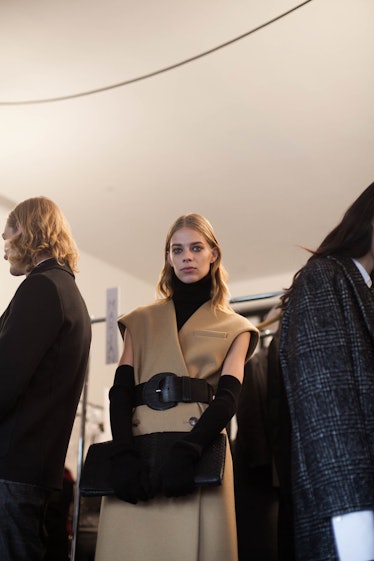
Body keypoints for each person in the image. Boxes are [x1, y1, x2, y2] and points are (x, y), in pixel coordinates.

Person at [94, 213, 259, 561]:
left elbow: (229, 398)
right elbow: (120, 391)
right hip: (138, 452)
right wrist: (122, 453)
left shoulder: (237, 326)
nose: (187, 256)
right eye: (178, 249)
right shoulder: (139, 320)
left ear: (213, 253)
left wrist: (190, 451)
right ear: (168, 257)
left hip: (198, 450)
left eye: (196, 248)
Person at [279, 182, 374, 561]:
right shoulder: (325, 278)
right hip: (350, 504)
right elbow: (325, 406)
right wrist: (353, 517)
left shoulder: (360, 289)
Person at [0, 196, 92, 561]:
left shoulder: (42, 288)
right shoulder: (70, 294)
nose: (4, 248)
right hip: (33, 469)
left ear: (23, 229)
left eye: (5, 236)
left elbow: (4, 381)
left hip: (12, 467)